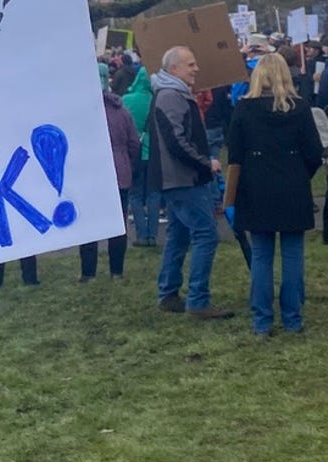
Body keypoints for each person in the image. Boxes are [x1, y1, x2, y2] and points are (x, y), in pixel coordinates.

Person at [226, 53, 323, 336]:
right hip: (293, 183)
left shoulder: (244, 109)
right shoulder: (300, 107)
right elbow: (314, 152)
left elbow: (235, 154)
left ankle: (262, 320)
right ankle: (293, 318)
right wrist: (300, 174)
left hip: (256, 187)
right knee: (293, 254)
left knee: (261, 255)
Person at [148, 45, 234, 319]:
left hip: (177, 178)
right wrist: (205, 162)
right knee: (206, 234)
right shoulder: (172, 95)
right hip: (183, 179)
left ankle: (169, 294)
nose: (197, 69)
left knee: (179, 235)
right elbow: (176, 141)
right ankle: (197, 300)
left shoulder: (170, 92)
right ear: (174, 69)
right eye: (191, 64)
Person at [79, 64, 140, 280]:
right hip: (119, 173)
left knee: (89, 225)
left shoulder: (82, 114)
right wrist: (125, 160)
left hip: (90, 174)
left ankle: (88, 272)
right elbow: (134, 143)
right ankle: (117, 271)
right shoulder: (121, 111)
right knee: (118, 224)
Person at [123, 65, 161, 246]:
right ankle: (153, 235)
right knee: (154, 194)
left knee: (135, 196)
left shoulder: (126, 100)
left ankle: (141, 234)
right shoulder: (157, 100)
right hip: (154, 153)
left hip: (134, 153)